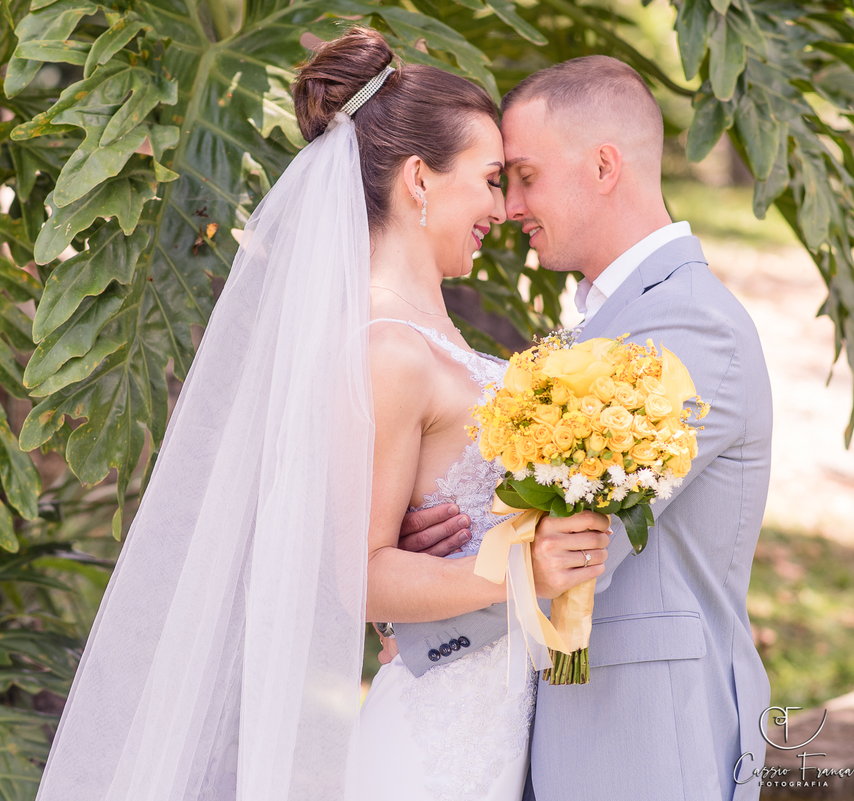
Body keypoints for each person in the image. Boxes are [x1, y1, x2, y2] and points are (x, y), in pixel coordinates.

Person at [34, 27, 610, 801]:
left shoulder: (430, 331)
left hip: (496, 710)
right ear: (419, 178)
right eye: (489, 179)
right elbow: (360, 576)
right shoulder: (387, 348)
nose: (503, 209)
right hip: (440, 743)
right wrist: (520, 566)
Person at [397, 56, 773, 801]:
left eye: (526, 176)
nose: (510, 206)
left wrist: (414, 588)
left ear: (604, 166)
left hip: (645, 749)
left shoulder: (690, 325)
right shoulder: (609, 321)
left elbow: (575, 538)